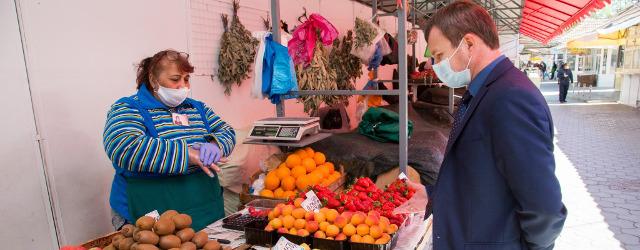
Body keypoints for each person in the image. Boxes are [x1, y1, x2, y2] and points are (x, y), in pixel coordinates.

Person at [424, 1, 567, 249]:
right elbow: (482, 179)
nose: (435, 66)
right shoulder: (483, 91)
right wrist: (431, 195)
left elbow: (544, 208)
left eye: (439, 55)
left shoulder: (511, 98)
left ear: (468, 43)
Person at [103, 49, 236, 231]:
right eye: (175, 79)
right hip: (149, 209)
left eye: (186, 79)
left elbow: (226, 130)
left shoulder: (197, 108)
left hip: (203, 206)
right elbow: (124, 146)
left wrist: (215, 145)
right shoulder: (129, 107)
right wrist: (187, 154)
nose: (183, 86)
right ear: (153, 80)